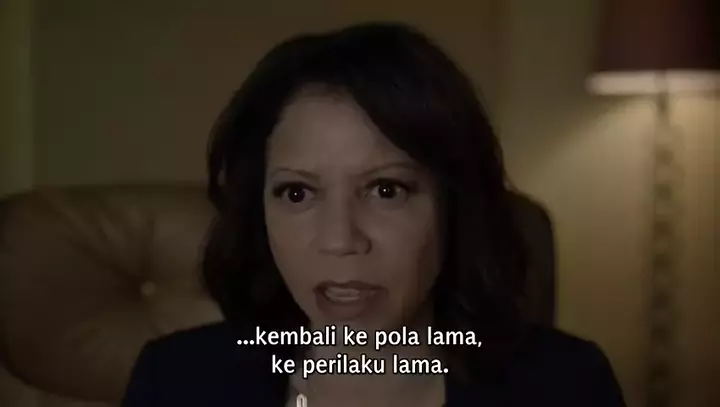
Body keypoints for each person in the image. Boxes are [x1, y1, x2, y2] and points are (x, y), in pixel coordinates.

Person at [121, 22, 625, 407]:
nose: (339, 240)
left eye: (386, 190)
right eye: (297, 193)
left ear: (454, 205)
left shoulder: (568, 385)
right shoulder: (175, 383)